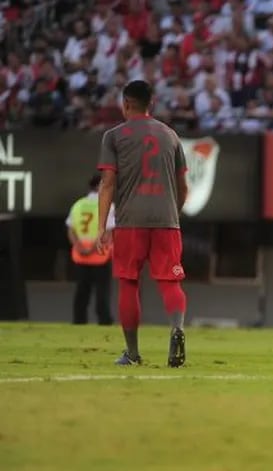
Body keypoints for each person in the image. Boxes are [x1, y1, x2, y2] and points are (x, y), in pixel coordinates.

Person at [95, 80, 189, 367]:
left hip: (130, 222)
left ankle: (133, 353)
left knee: (128, 283)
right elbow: (183, 185)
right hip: (166, 220)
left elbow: (108, 182)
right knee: (170, 281)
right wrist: (174, 212)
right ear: (152, 103)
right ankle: (177, 329)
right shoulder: (170, 135)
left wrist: (102, 227)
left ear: (125, 104)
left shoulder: (113, 136)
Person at [67, 174, 115, 325]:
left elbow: (71, 229)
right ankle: (104, 321)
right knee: (102, 292)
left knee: (81, 292)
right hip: (100, 255)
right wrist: (94, 248)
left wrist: (80, 246)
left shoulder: (78, 204)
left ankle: (78, 321)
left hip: (81, 256)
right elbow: (108, 231)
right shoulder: (108, 204)